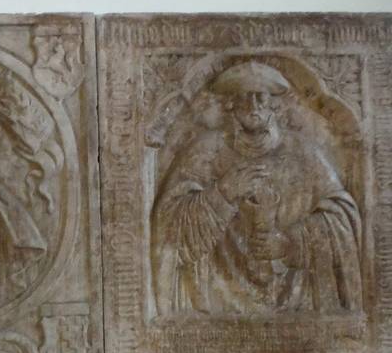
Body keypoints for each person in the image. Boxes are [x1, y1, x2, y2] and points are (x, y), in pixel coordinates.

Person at [152, 61, 362, 316]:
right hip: (218, 300)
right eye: (244, 97)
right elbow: (168, 222)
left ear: (274, 103)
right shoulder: (205, 151)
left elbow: (342, 219)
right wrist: (222, 194)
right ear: (231, 104)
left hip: (295, 302)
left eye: (260, 96)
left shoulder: (304, 154)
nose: (253, 105)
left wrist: (291, 243)